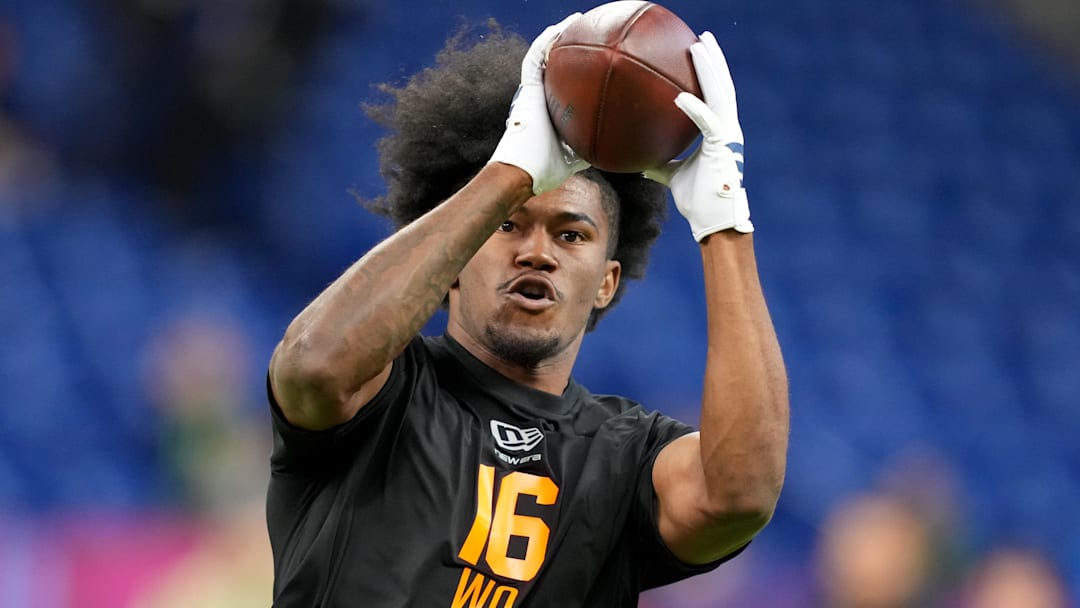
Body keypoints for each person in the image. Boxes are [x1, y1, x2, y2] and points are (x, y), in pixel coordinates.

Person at [265, 12, 788, 607]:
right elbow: (313, 365)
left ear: (606, 283)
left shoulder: (625, 457)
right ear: (452, 259)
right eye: (508, 226)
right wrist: (508, 174)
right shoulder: (382, 392)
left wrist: (724, 222)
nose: (537, 252)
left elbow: (740, 496)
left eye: (571, 235)